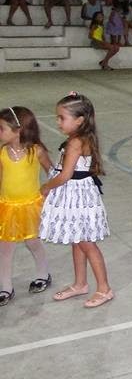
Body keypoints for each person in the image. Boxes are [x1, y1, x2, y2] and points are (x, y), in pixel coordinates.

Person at [39, 93, 113, 308]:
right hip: (73, 195)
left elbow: (65, 175)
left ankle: (104, 288)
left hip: (78, 197)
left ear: (79, 120)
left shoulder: (76, 142)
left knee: (87, 244)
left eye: (62, 118)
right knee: (77, 240)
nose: (58, 122)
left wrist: (46, 187)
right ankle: (80, 283)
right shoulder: (78, 139)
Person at [0, 106, 54, 306]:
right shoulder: (3, 153)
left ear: (18, 130)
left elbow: (51, 171)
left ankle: (43, 274)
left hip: (30, 207)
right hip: (7, 207)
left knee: (33, 243)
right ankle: (5, 287)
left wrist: (50, 189)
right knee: (5, 249)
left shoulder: (35, 150)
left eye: (1, 128)